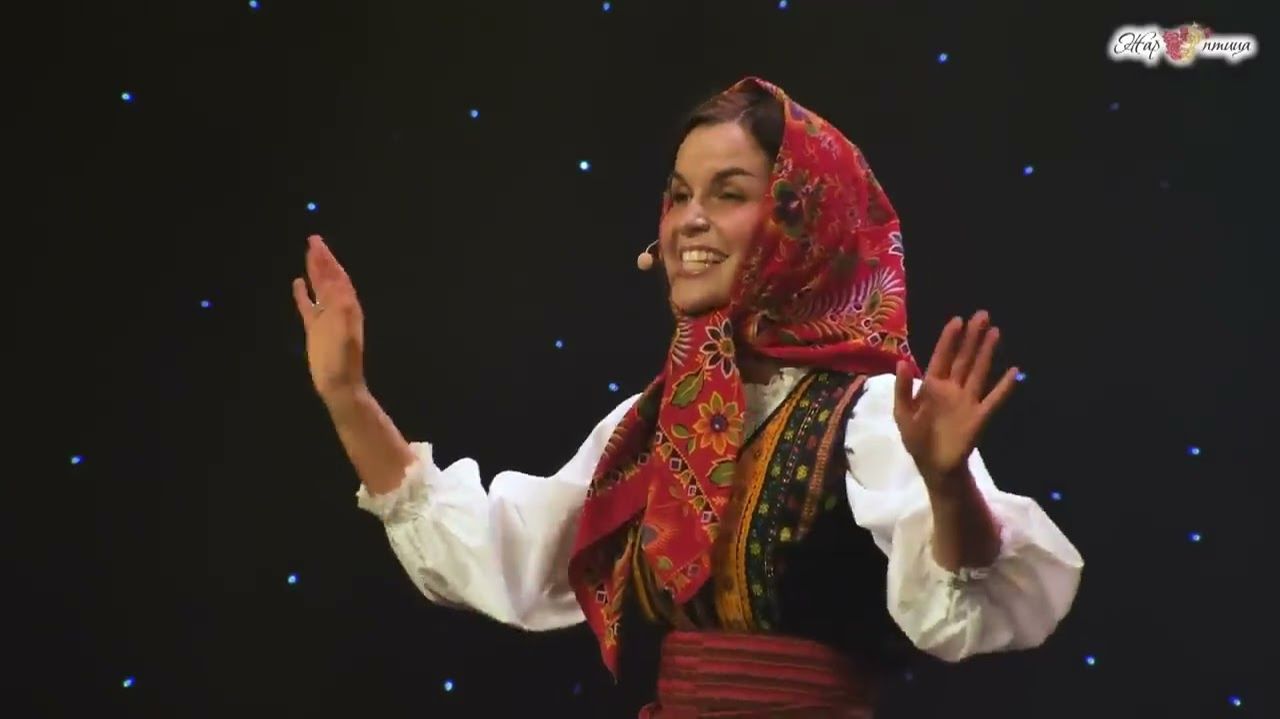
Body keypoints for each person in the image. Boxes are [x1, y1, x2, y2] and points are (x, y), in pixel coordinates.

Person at [292, 77, 1084, 717]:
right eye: (678, 195)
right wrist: (348, 397)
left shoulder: (871, 414)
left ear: (799, 222)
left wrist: (948, 486)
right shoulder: (660, 421)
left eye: (728, 193)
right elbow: (507, 552)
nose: (689, 221)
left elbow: (966, 609)